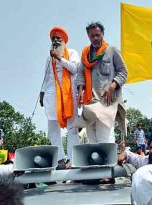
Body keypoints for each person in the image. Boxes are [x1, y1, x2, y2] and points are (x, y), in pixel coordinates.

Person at [77, 21, 128, 143]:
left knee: (104, 139)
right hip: (90, 103)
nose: (95, 38)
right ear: (88, 36)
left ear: (103, 34)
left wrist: (112, 86)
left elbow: (123, 72)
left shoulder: (112, 51)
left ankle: (108, 162)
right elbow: (80, 74)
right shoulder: (85, 54)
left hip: (107, 102)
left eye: (97, 35)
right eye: (92, 36)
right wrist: (80, 90)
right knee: (92, 140)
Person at [40, 26, 80, 165]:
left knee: (72, 128)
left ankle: (73, 160)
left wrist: (59, 57)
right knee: (52, 128)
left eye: (58, 38)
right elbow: (46, 77)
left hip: (69, 94)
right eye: (53, 39)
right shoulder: (48, 59)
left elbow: (75, 69)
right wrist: (42, 92)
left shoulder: (72, 52)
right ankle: (60, 160)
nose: (55, 41)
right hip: (51, 95)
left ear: (64, 41)